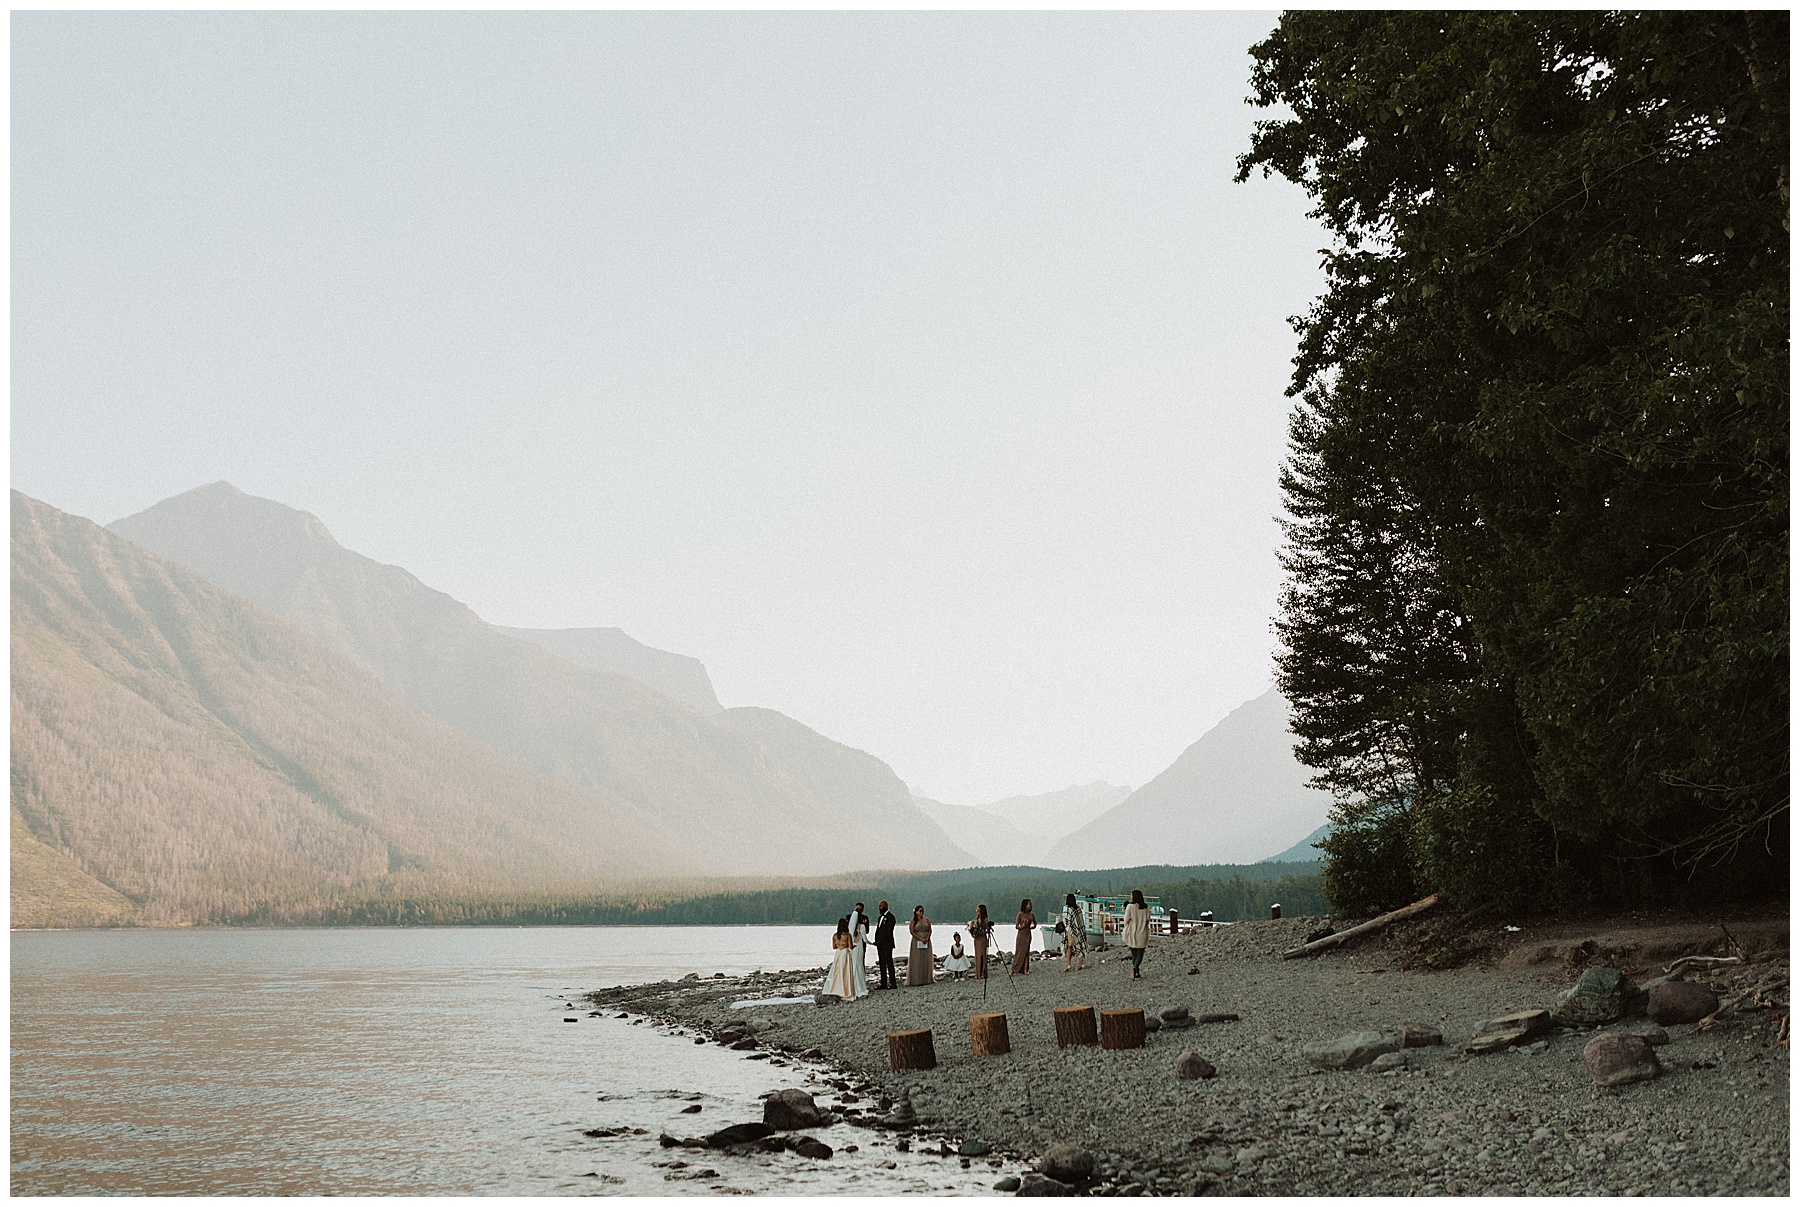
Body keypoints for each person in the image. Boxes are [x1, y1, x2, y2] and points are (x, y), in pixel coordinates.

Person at [822, 916, 860, 1000]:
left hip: (838, 954)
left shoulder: (835, 936)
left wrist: (840, 945)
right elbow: (850, 946)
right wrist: (855, 946)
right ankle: (846, 991)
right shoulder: (848, 935)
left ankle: (836, 989)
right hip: (845, 953)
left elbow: (834, 947)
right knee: (846, 972)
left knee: (837, 972)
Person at [1122, 889, 1151, 979]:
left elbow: (1126, 919)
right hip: (1142, 931)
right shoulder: (1145, 907)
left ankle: (1134, 968)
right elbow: (1148, 919)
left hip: (1132, 932)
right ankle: (1136, 971)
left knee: (1134, 953)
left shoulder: (1130, 906)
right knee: (1140, 953)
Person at [906, 905, 934, 987]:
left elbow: (930, 930)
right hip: (917, 941)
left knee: (926, 958)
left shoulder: (926, 920)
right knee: (917, 959)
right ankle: (916, 979)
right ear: (916, 912)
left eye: (923, 911)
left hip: (926, 940)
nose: (922, 912)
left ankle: (927, 978)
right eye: (920, 911)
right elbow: (912, 931)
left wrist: (927, 938)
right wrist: (920, 938)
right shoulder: (913, 921)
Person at [873, 900, 898, 990]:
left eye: (880, 906)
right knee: (882, 964)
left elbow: (887, 931)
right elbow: (879, 930)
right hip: (880, 944)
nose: (879, 908)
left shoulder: (891, 917)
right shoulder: (880, 918)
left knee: (889, 963)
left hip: (887, 944)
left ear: (885, 906)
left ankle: (893, 983)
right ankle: (883, 983)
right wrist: (876, 940)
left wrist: (880, 941)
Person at [1061, 893, 1089, 972]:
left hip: (1070, 931)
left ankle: (1069, 964)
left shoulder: (1067, 908)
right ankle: (1081, 962)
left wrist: (1067, 928)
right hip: (1077, 931)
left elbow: (1066, 920)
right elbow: (1080, 921)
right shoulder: (1078, 909)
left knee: (1069, 947)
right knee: (1078, 946)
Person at [849, 902, 871, 997]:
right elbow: (865, 939)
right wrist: (873, 943)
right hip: (859, 946)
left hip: (852, 946)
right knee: (859, 965)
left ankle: (852, 984)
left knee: (854, 964)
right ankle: (860, 985)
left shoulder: (851, 926)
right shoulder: (862, 926)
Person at [968, 904, 994, 980]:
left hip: (982, 939)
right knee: (977, 956)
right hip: (977, 939)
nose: (976, 911)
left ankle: (983, 972)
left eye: (978, 910)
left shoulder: (985, 920)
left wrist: (983, 931)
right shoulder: (975, 919)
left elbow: (986, 929)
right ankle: (978, 973)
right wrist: (972, 932)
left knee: (982, 955)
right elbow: (973, 928)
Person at [1011, 898, 1037, 975]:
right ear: (1025, 905)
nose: (1031, 906)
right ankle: (1014, 969)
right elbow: (1016, 926)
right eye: (1029, 904)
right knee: (1019, 952)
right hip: (1021, 935)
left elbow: (1035, 923)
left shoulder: (1031, 915)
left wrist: (1033, 927)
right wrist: (1022, 926)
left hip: (1027, 934)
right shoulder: (1020, 914)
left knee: (1026, 952)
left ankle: (1025, 969)